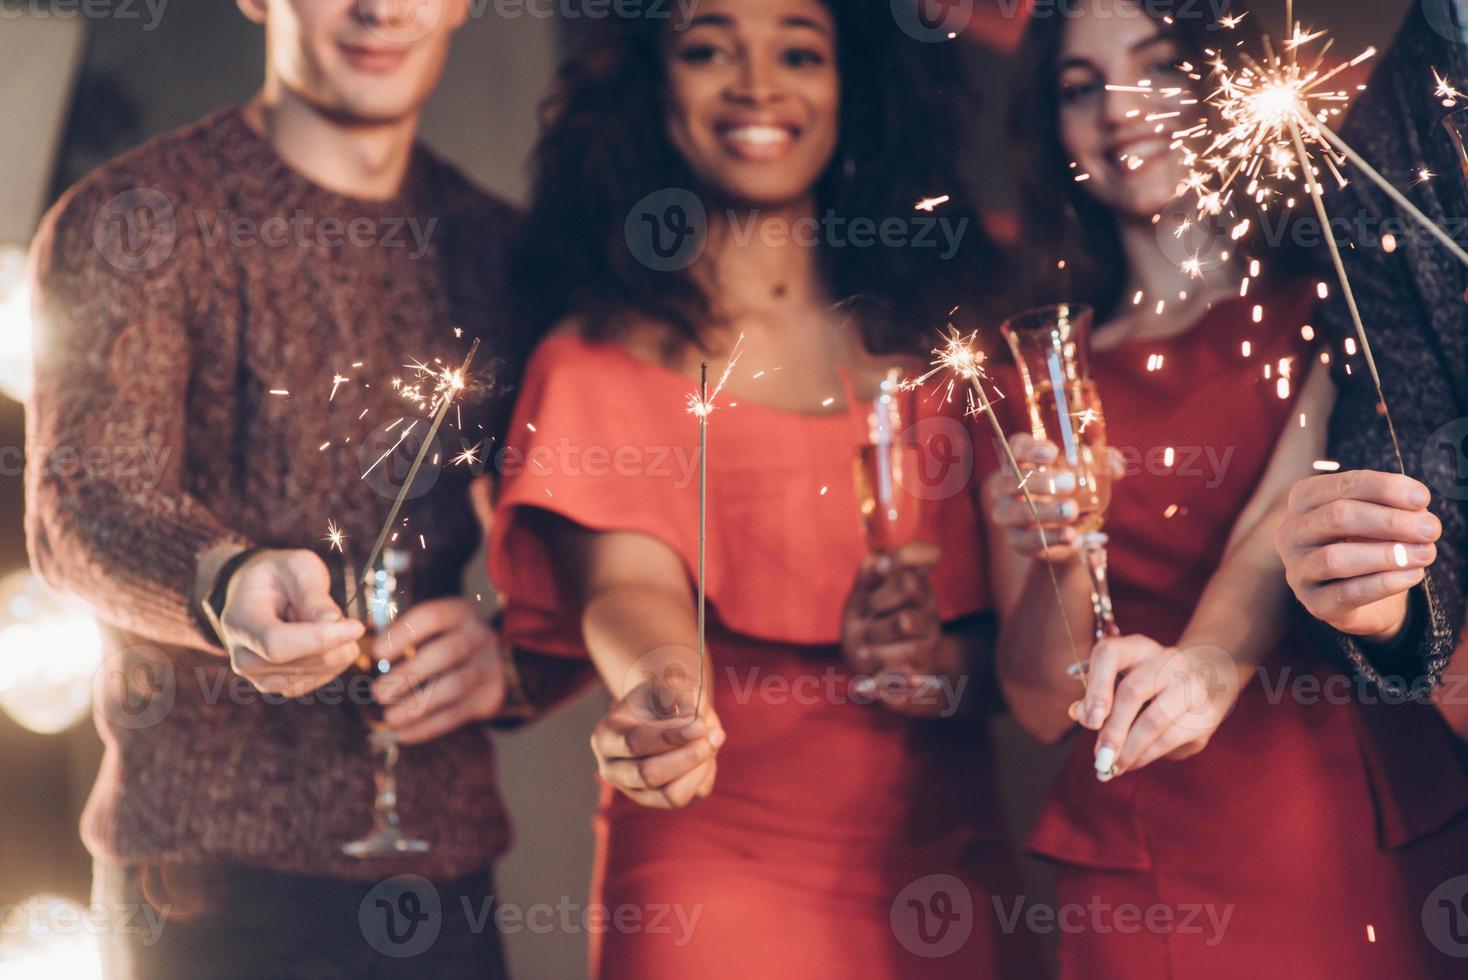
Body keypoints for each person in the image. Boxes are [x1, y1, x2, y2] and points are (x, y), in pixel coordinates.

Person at [489, 0, 1038, 976]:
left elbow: (1032, 661)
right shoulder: (599, 358)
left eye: (798, 50)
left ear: (850, 86)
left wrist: (928, 665)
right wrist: (661, 690)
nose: (755, 83)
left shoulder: (955, 357)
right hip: (711, 871)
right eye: (707, 49)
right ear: (652, 87)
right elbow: (629, 585)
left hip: (943, 866)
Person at [25, 2, 569, 976]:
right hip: (205, 882)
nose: (381, 9)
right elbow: (83, 500)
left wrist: (518, 658)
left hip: (440, 878)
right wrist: (223, 579)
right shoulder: (136, 219)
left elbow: (596, 536)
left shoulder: (505, 254)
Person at [981, 1, 1464, 975]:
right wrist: (1061, 552)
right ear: (1052, 126)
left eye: (1154, 66)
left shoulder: (1336, 300)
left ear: (1217, 78)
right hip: (1143, 847)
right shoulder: (1031, 373)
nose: (1119, 109)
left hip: (1347, 815)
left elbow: (1275, 518)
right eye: (1081, 88)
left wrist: (1205, 662)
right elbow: (1040, 704)